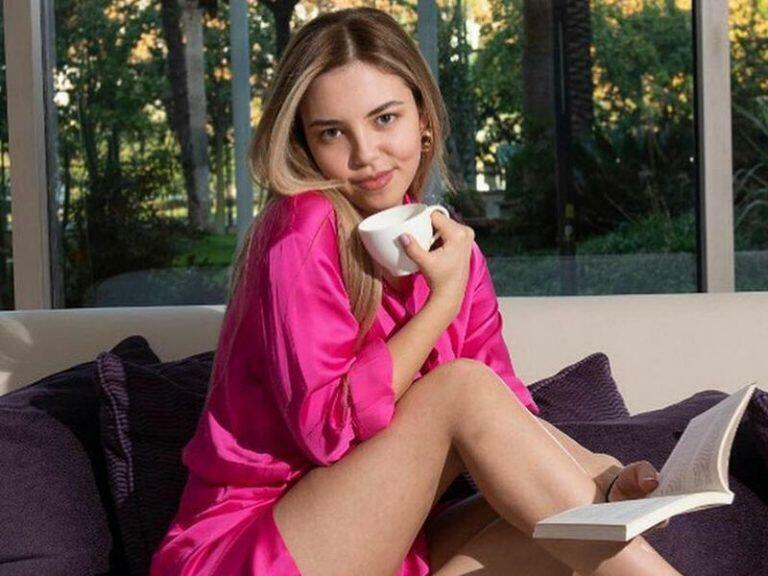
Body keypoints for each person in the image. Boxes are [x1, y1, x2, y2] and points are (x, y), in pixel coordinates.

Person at [150, 7, 679, 576]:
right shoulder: (300, 229)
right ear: (305, 145)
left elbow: (505, 417)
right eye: (332, 132)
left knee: (564, 507)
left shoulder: (452, 250)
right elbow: (328, 430)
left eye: (385, 119)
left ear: (423, 118)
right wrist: (441, 304)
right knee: (462, 389)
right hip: (257, 548)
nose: (365, 154)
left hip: (388, 543)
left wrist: (599, 477)